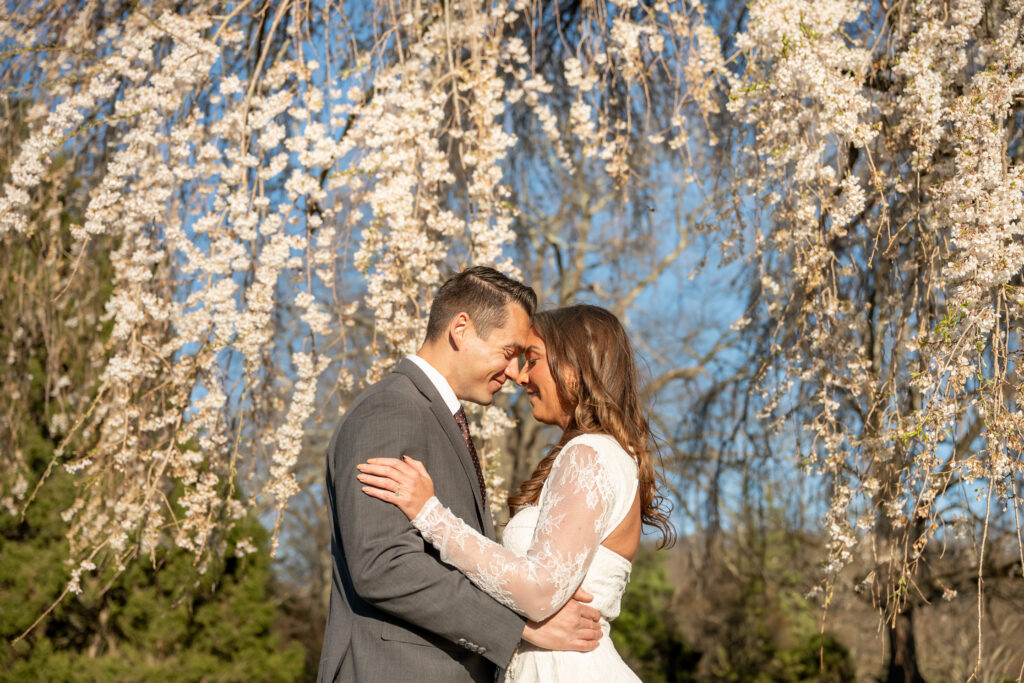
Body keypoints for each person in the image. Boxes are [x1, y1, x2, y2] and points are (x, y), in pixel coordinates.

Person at [358, 303, 675, 681]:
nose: (521, 376)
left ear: (573, 369)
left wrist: (431, 515)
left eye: (534, 359)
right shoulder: (599, 453)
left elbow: (540, 592)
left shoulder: (589, 453)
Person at [317, 268, 604, 683]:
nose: (512, 372)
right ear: (461, 329)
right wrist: (520, 628)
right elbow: (383, 564)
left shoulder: (437, 417)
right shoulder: (391, 410)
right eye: (509, 351)